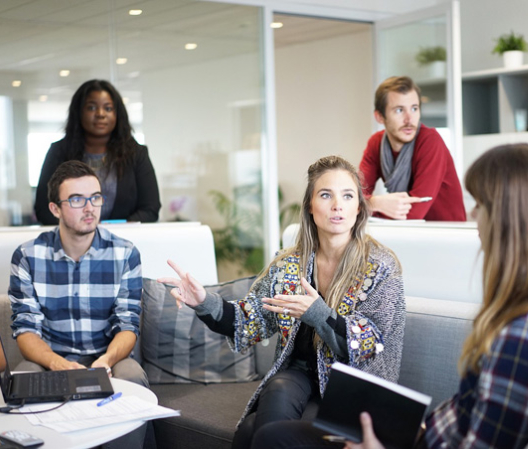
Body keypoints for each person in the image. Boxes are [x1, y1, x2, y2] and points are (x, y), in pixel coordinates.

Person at [258, 144, 528, 449]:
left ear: (516, 220)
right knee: (269, 431)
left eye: (481, 205)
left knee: (272, 439)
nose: (474, 216)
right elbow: (472, 416)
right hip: (423, 435)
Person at [159, 155, 406, 449]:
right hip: (300, 374)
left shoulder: (380, 266)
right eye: (326, 195)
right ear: (311, 208)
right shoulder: (289, 264)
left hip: (354, 387)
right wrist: (203, 301)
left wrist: (317, 313)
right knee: (277, 388)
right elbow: (247, 321)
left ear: (358, 208)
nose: (337, 205)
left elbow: (369, 344)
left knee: (253, 430)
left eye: (348, 195)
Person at [10, 161, 149, 447]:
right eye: (76, 199)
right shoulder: (28, 255)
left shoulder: (125, 254)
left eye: (95, 197)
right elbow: (25, 329)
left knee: (132, 375)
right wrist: (57, 364)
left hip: (108, 357)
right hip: (50, 358)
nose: (90, 207)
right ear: (55, 209)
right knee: (22, 377)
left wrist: (105, 362)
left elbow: (128, 324)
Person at [34, 79, 161, 224]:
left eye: (108, 108)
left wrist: (115, 232)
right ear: (79, 112)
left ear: (117, 114)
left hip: (124, 241)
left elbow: (150, 209)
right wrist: (81, 230)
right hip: (72, 243)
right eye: (91, 108)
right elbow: (43, 210)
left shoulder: (137, 154)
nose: (100, 114)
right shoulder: (59, 152)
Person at [358, 76, 466, 221]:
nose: (409, 119)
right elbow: (352, 197)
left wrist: (368, 206)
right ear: (379, 117)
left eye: (414, 109)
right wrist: (376, 202)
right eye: (399, 110)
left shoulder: (430, 141)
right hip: (407, 233)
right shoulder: (376, 143)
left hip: (446, 235)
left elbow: (414, 213)